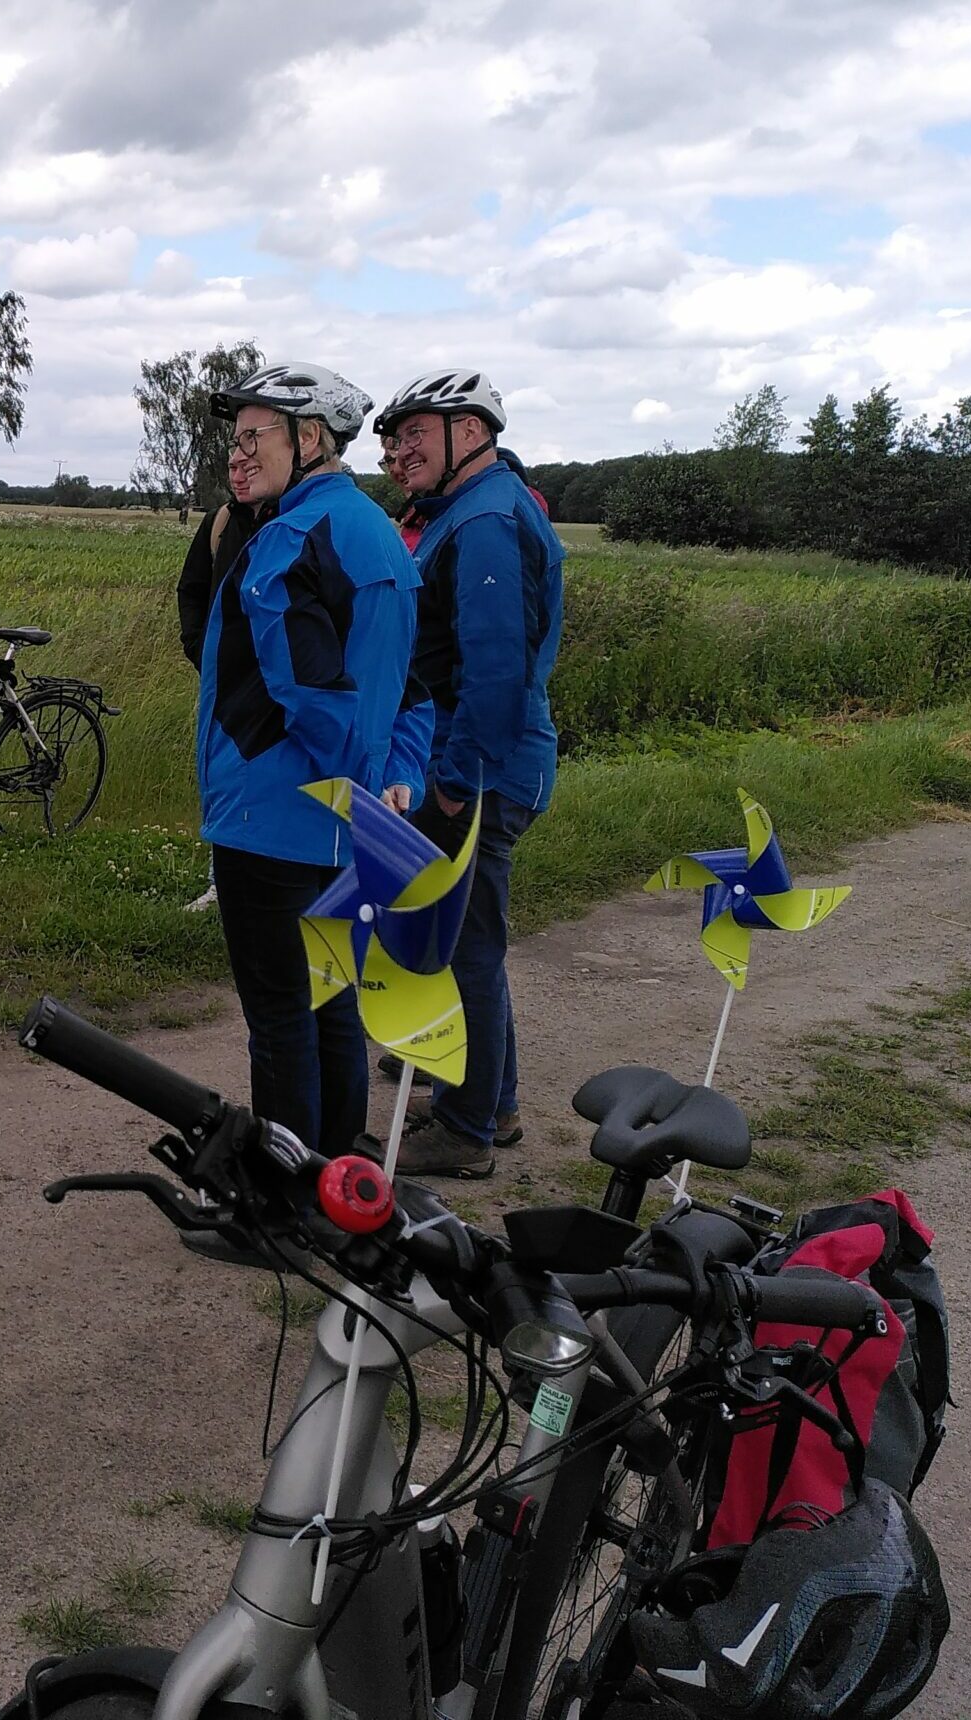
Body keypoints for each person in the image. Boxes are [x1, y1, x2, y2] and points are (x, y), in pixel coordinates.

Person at [196, 362, 418, 1160]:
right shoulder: (378, 533)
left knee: (281, 1016)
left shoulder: (288, 538)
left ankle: (287, 1204)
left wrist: (359, 775)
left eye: (255, 437)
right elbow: (418, 685)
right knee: (332, 1009)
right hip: (350, 831)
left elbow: (311, 692)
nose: (238, 456)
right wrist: (399, 779)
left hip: (275, 817)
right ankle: (341, 1180)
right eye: (235, 439)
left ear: (312, 438)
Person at [373, 368, 565, 1178]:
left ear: (471, 430)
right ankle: (495, 1100)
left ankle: (464, 1130)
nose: (398, 447)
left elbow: (493, 672)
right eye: (392, 435)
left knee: (466, 950)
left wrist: (454, 783)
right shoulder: (468, 510)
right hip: (482, 761)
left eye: (416, 429)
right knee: (470, 939)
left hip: (480, 767)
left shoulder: (486, 520)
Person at [178, 446, 269, 912]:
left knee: (268, 781)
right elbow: (191, 589)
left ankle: (262, 884)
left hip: (278, 687)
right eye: (232, 467)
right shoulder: (219, 523)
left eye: (248, 466)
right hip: (223, 686)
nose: (239, 475)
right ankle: (221, 884)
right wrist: (202, 652)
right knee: (222, 781)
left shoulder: (292, 519)